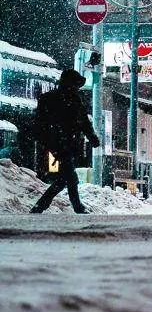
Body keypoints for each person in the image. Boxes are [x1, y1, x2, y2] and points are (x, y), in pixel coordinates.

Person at [30, 69, 100, 214]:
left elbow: (83, 122)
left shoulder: (60, 99)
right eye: (75, 84)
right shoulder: (59, 99)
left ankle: (39, 206)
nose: (77, 88)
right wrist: (91, 136)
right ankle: (77, 207)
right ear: (70, 83)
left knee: (64, 179)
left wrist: (91, 136)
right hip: (59, 143)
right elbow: (83, 122)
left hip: (61, 143)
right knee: (71, 177)